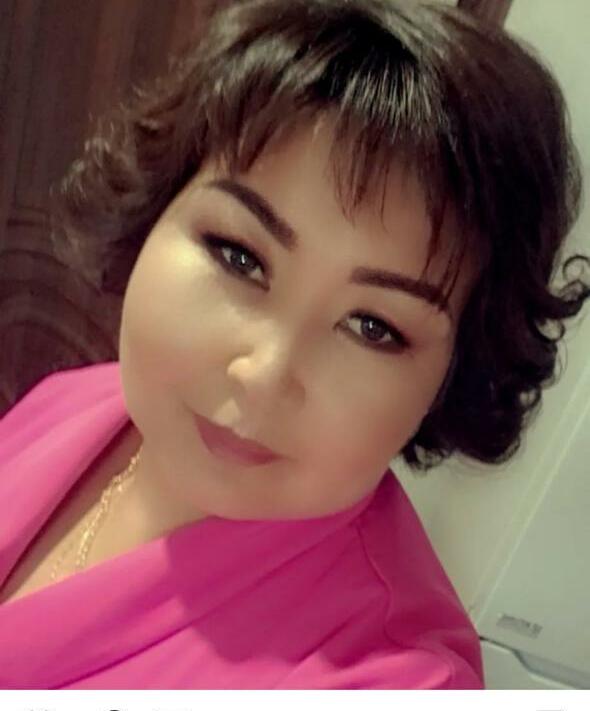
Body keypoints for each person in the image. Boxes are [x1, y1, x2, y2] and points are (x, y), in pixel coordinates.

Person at [0, 0, 588, 690]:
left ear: (454, 376)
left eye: (373, 327)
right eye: (239, 255)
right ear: (158, 207)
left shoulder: (394, 681)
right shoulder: (82, 400)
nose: (263, 374)